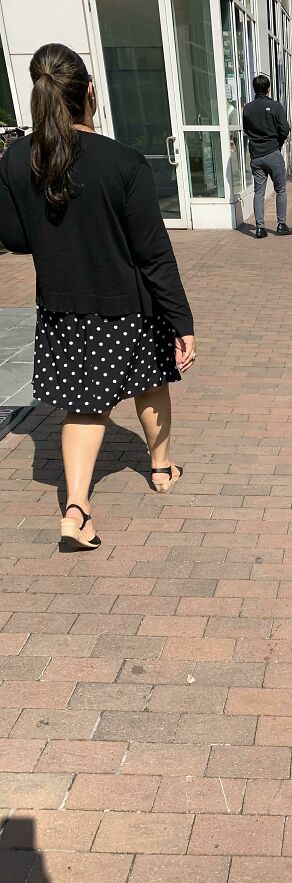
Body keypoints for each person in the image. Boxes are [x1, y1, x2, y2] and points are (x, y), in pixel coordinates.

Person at [0, 44, 196, 550]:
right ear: (89, 92)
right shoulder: (123, 163)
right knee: (137, 390)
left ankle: (110, 490)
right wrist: (182, 322)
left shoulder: (17, 159)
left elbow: (17, 238)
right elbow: (154, 255)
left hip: (62, 307)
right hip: (128, 306)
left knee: (88, 405)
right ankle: (131, 482)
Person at [242, 75, 292, 239]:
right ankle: (281, 224)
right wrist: (278, 143)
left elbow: (246, 129)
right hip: (272, 152)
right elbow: (284, 129)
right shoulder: (275, 106)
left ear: (254, 88)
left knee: (259, 192)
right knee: (280, 189)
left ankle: (259, 228)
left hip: (256, 155)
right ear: (268, 88)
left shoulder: (247, 108)